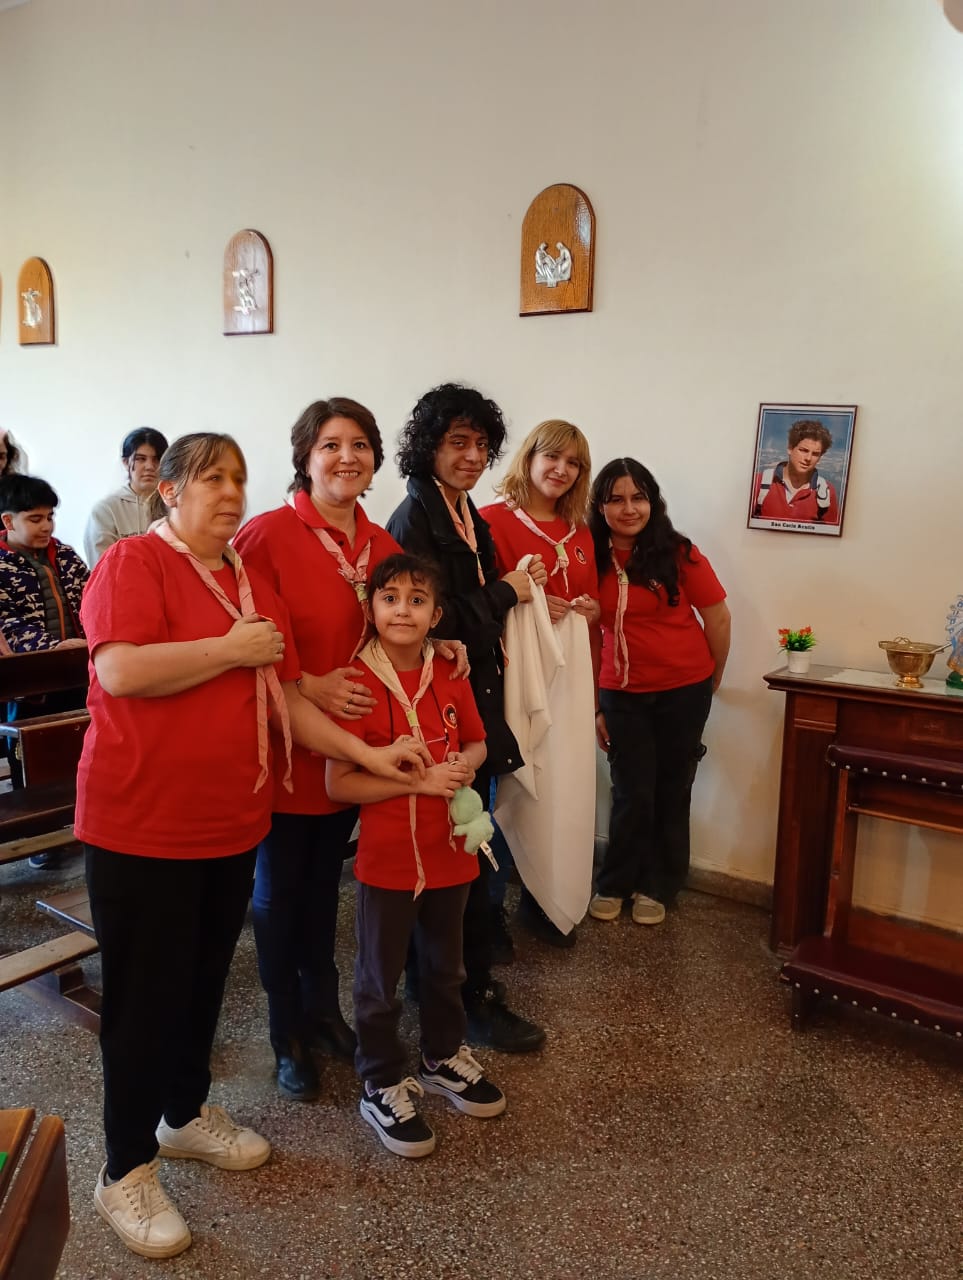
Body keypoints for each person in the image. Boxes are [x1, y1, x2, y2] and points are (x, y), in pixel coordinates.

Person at [77, 432, 429, 1260]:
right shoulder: (134, 563)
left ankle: (184, 1114)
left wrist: (369, 755)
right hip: (143, 823)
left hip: (229, 819)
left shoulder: (245, 574)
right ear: (169, 491)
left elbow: (279, 690)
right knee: (144, 999)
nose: (229, 493)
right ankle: (123, 1170)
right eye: (209, 479)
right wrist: (228, 650)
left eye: (237, 477)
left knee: (202, 981)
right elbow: (121, 672)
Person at [233, 398, 404, 1102]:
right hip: (282, 738)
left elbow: (403, 622)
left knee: (324, 886)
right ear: (305, 455)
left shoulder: (383, 544)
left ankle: (323, 1008)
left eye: (360, 445)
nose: (346, 457)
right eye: (331, 444)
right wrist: (310, 682)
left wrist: (442, 640)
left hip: (348, 747)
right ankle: (284, 1032)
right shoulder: (267, 535)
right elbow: (242, 634)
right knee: (279, 893)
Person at [327, 554, 505, 1158]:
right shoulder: (353, 682)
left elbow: (478, 742)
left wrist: (465, 766)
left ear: (436, 614)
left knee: (446, 966)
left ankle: (441, 1056)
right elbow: (338, 784)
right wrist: (412, 784)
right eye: (390, 597)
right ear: (371, 607)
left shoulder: (452, 672)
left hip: (451, 851)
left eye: (418, 599)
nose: (403, 609)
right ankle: (379, 1080)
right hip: (388, 859)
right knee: (379, 980)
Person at [387, 382, 546, 1053]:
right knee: (452, 856)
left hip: (470, 697)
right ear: (428, 447)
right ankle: (453, 994)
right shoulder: (413, 518)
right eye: (458, 442)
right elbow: (424, 621)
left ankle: (457, 986)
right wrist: (506, 592)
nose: (472, 456)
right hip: (434, 707)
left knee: (467, 848)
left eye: (481, 444)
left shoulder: (465, 514)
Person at [588, 458, 731, 925]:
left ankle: (659, 884)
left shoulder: (679, 553)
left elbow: (719, 618)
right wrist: (594, 705)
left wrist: (713, 677)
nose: (629, 508)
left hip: (683, 690)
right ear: (600, 506)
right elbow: (589, 634)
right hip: (621, 692)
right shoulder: (590, 556)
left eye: (638, 497)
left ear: (652, 501)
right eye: (616, 499)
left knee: (672, 788)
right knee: (631, 790)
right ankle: (615, 881)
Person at [480, 420, 599, 953]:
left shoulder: (581, 532)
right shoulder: (491, 522)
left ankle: (545, 897)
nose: (561, 470)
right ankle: (489, 912)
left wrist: (587, 611)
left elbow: (590, 599)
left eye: (573, 463)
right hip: (513, 680)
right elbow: (484, 601)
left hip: (567, 684)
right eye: (552, 456)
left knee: (561, 787)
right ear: (528, 458)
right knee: (515, 785)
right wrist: (527, 602)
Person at [0, 475, 89, 824]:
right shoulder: (3, 566)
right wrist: (54, 647)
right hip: (29, 683)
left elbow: (94, 600)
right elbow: (8, 625)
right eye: (35, 519)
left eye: (50, 517)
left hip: (78, 669)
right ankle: (39, 830)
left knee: (80, 744)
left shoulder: (65, 556)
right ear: (8, 521)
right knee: (34, 753)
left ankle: (82, 814)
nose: (46, 526)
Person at [84, 427, 169, 566]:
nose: (150, 466)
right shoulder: (106, 510)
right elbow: (102, 567)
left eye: (156, 459)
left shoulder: (175, 505)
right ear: (125, 462)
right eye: (141, 459)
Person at [751, 420, 839, 524]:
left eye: (815, 454)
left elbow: (828, 536)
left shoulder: (826, 492)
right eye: (803, 450)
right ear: (790, 448)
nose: (808, 458)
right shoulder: (759, 482)